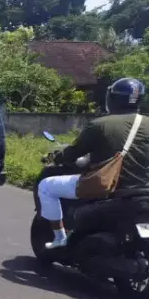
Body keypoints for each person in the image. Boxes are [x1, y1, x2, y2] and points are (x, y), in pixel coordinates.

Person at [37, 77, 148, 249]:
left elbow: (74, 153)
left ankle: (60, 239)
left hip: (108, 188)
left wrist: (57, 157)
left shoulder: (100, 124)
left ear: (111, 98)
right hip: (143, 190)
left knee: (46, 185)